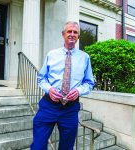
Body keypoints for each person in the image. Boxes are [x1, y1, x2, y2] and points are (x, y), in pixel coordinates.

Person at [31, 21, 95, 150]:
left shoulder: (85, 57)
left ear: (78, 37)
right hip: (48, 106)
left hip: (70, 110)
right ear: (63, 34)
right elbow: (41, 78)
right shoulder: (51, 54)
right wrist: (49, 89)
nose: (72, 34)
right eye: (69, 31)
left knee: (67, 147)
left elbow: (89, 83)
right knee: (38, 146)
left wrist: (78, 90)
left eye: (75, 32)